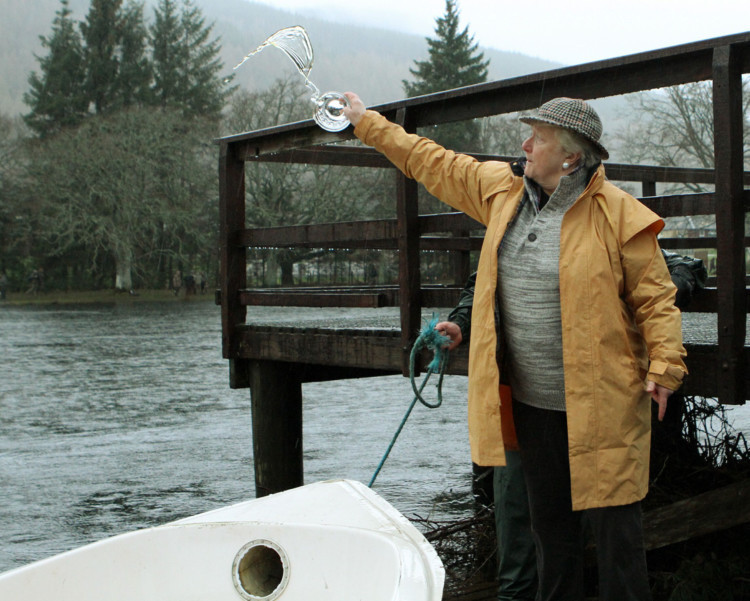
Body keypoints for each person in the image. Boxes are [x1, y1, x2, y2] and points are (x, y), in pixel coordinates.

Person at [343, 94, 687, 601]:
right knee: (552, 539)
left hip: (605, 406)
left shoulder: (619, 215)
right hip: (532, 406)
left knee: (618, 543)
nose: (525, 145)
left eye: (539, 138)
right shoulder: (501, 191)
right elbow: (431, 161)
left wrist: (665, 365)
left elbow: (656, 298)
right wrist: (366, 124)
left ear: (571, 155)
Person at [439, 250, 706, 600]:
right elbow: (481, 286)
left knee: (598, 535)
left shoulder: (608, 235)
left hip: (594, 412)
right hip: (519, 414)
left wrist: (628, 302)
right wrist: (460, 322)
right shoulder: (512, 236)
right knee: (524, 545)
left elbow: (682, 270)